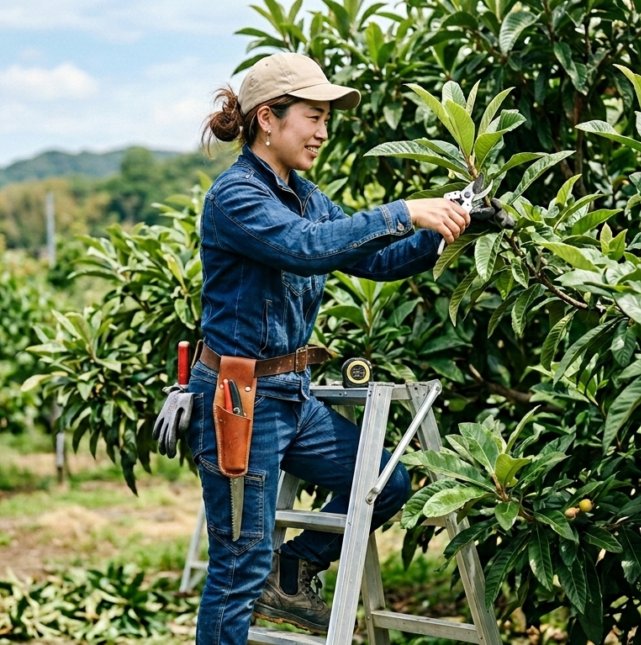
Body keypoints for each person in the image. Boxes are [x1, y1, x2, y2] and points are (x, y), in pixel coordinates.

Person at [183, 52, 482, 645]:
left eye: (326, 119)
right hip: (239, 401)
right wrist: (402, 210)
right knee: (237, 568)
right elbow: (307, 248)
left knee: (386, 482)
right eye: (312, 117)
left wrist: (450, 225)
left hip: (292, 396)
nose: (322, 132)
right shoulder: (236, 198)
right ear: (268, 119)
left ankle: (293, 568)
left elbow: (371, 257)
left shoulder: (305, 194)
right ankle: (264, 578)